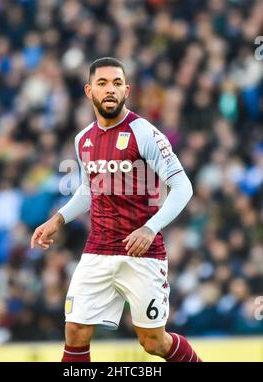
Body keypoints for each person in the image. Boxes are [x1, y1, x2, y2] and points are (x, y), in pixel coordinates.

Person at [31, 57, 202, 362]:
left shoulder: (145, 133)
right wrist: (57, 219)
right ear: (88, 90)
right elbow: (88, 189)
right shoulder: (82, 139)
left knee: (153, 342)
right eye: (102, 83)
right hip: (98, 250)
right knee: (75, 331)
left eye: (117, 83)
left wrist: (151, 228)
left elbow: (183, 187)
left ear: (127, 90)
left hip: (142, 253)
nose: (110, 89)